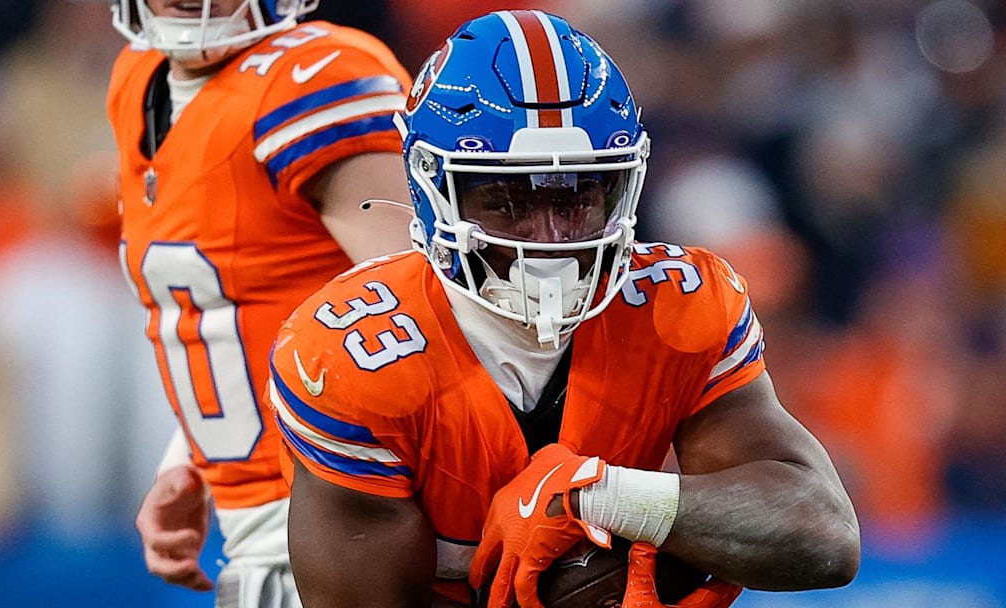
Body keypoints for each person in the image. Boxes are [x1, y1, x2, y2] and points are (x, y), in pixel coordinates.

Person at [267, 9, 861, 608]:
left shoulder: (677, 307)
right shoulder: (353, 357)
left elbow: (825, 535)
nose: (549, 238)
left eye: (578, 196)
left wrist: (600, 498)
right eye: (506, 200)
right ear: (432, 190)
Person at [106, 0, 413, 605]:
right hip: (255, 531)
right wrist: (192, 454)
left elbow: (428, 313)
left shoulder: (317, 77)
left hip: (346, 523)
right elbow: (240, 299)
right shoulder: (138, 78)